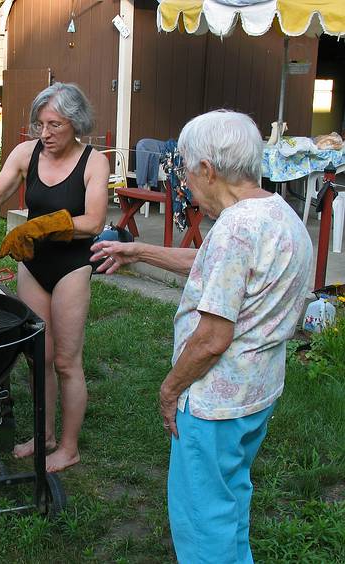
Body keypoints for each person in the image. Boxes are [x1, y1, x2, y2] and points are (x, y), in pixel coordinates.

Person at [91, 110, 313, 563]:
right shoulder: (277, 213)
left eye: (187, 172)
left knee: (201, 518)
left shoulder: (235, 229)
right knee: (230, 498)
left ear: (208, 170)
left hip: (214, 403)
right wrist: (140, 251)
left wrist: (170, 389)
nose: (186, 184)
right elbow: (217, 269)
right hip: (256, 395)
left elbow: (212, 338)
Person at [0, 82, 109, 472]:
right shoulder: (26, 154)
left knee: (66, 361)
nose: (45, 133)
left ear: (76, 123)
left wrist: (40, 227)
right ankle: (45, 435)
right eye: (40, 124)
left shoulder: (94, 162)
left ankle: (68, 448)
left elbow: (93, 222)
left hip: (72, 267)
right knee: (39, 356)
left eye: (54, 125)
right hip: (33, 267)